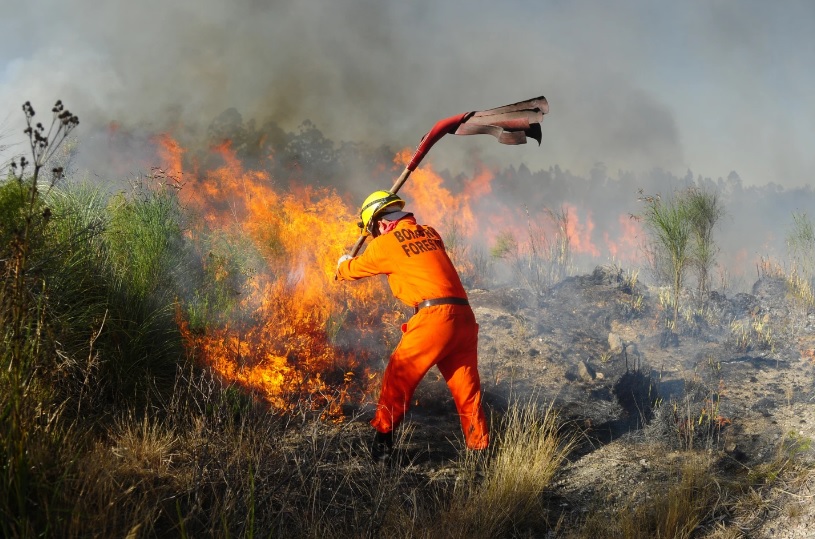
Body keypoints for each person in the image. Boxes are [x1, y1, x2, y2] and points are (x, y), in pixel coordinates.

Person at [336, 190, 489, 462]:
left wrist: (342, 265)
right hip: (464, 317)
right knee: (467, 391)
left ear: (381, 224)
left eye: (374, 230)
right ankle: (479, 453)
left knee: (398, 378)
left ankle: (382, 447)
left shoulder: (385, 244)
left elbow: (352, 271)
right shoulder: (431, 232)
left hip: (434, 319)